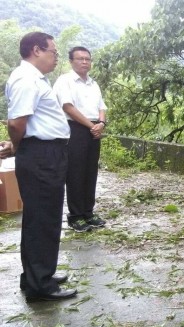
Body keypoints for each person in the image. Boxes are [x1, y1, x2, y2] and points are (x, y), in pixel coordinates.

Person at [5, 32, 76, 301]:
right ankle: (40, 285)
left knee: (42, 216)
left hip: (47, 153)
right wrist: (15, 145)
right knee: (42, 219)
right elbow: (16, 123)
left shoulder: (34, 79)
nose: (56, 58)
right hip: (41, 155)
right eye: (54, 53)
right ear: (37, 50)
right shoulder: (26, 79)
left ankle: (36, 274)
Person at [53, 46, 107, 232]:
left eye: (88, 59)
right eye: (80, 58)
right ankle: (76, 216)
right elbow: (68, 107)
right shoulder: (65, 81)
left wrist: (101, 123)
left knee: (90, 171)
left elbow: (102, 107)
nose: (85, 62)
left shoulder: (93, 83)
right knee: (75, 172)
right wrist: (91, 126)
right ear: (71, 61)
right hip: (75, 128)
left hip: (94, 129)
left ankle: (88, 212)